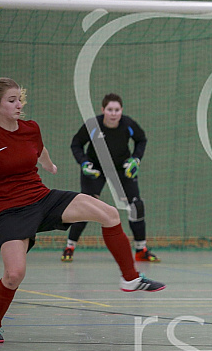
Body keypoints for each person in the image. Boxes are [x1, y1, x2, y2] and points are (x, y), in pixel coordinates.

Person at [0, 78, 166, 344]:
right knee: (14, 274)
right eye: (12, 100)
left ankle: (130, 278)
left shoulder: (30, 128)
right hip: (9, 211)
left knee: (110, 213)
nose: (19, 105)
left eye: (20, 99)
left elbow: (39, 149)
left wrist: (49, 165)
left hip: (42, 199)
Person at [61, 93, 159, 263]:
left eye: (117, 110)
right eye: (110, 110)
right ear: (103, 110)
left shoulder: (128, 124)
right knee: (86, 207)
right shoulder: (93, 125)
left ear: (121, 111)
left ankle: (141, 249)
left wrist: (135, 159)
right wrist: (84, 162)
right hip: (96, 169)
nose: (113, 113)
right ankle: (70, 246)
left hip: (122, 169)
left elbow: (141, 139)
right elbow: (76, 143)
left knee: (136, 205)